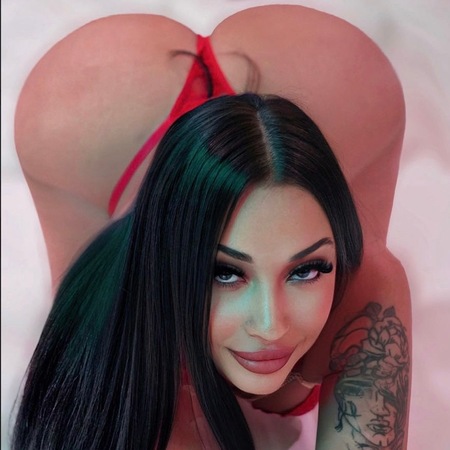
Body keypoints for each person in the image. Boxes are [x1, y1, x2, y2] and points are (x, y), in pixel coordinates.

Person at [12, 4, 411, 449]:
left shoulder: (365, 290)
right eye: (223, 272)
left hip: (326, 78)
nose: (270, 326)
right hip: (102, 113)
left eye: (305, 270)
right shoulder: (112, 322)